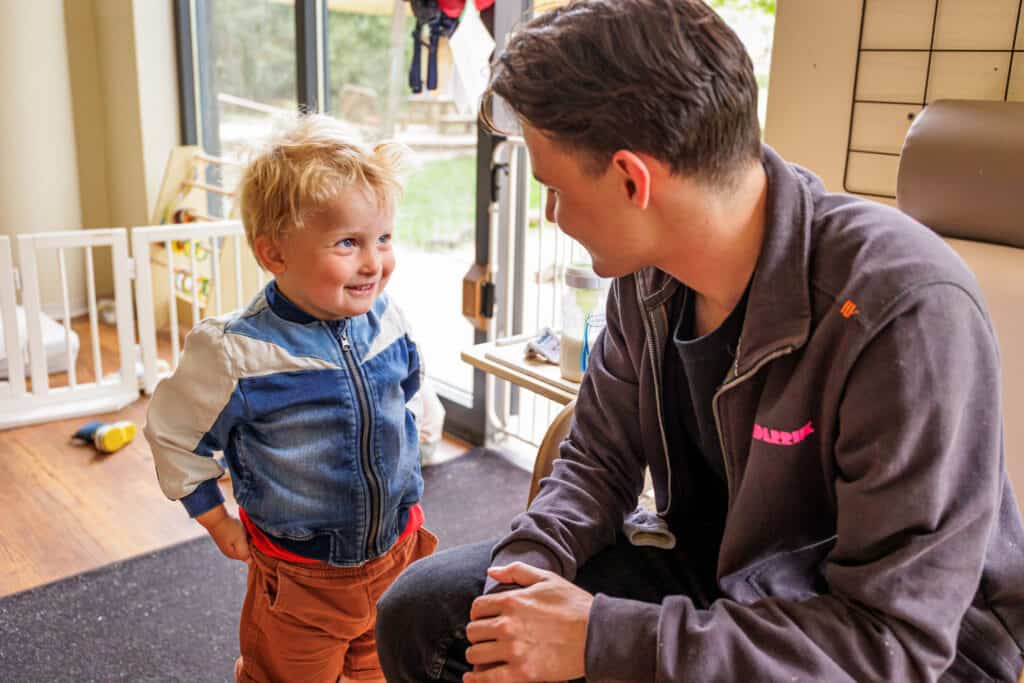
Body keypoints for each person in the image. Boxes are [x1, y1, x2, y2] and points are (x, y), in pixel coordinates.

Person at [374, 1, 1024, 681]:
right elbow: (597, 457)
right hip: (717, 572)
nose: (552, 214)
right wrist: (526, 570)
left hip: (881, 642)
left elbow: (890, 641)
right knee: (430, 616)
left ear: (632, 179)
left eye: (554, 188)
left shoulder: (902, 310)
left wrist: (604, 638)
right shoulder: (647, 275)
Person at [144, 114, 437, 683]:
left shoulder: (386, 317)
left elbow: (408, 390)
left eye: (383, 238)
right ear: (274, 254)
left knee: (383, 668)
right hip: (302, 578)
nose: (374, 262)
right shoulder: (237, 352)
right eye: (347, 243)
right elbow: (174, 435)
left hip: (397, 551)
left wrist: (418, 431)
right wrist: (214, 519)